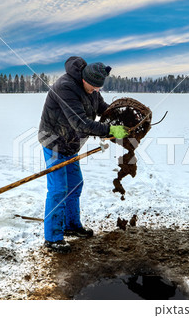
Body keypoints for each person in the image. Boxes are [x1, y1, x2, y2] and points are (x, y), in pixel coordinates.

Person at [38, 56, 129, 253]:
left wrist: (120, 117)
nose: (97, 91)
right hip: (54, 143)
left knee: (75, 185)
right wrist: (110, 131)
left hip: (71, 145)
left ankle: (71, 225)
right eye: (94, 87)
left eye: (99, 88)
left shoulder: (92, 89)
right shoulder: (65, 88)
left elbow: (103, 109)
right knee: (58, 189)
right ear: (83, 79)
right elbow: (80, 123)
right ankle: (53, 238)